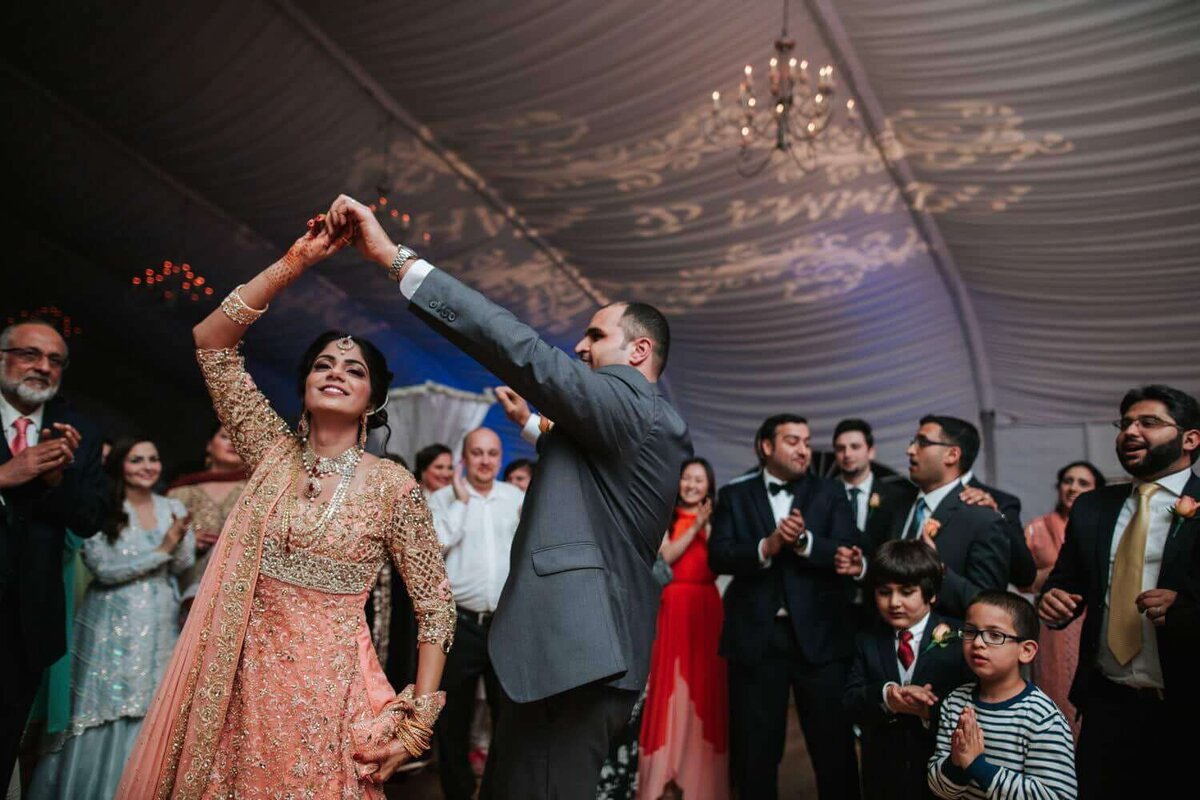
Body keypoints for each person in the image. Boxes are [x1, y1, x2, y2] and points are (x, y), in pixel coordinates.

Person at [327, 194, 692, 799]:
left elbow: (517, 348)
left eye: (594, 336)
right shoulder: (627, 426)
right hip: (570, 660)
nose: (579, 347)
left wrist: (395, 260)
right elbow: (594, 481)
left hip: (575, 663)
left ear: (638, 352)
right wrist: (534, 427)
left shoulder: (634, 404)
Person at [118, 214, 455, 798]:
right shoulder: (272, 453)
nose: (335, 372)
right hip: (238, 687)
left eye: (354, 370)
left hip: (332, 698)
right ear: (303, 386)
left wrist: (417, 726)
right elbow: (212, 342)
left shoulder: (394, 487)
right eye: (323, 364)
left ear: (373, 402)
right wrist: (296, 261)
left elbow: (434, 608)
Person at [1039, 385, 1199, 798]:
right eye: (1125, 422)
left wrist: (1187, 608)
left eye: (1149, 422)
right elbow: (1066, 583)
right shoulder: (1094, 507)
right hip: (1107, 703)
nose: (1130, 431)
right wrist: (1054, 600)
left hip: (1186, 706)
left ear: (1190, 438)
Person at [29, 438, 194, 799]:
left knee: (150, 708)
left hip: (160, 621)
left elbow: (181, 566)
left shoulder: (173, 506)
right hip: (109, 621)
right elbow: (104, 568)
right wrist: (162, 549)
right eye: (137, 460)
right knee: (100, 707)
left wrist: (179, 543)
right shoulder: (101, 508)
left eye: (153, 458)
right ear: (120, 465)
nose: (147, 466)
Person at [708, 413, 861, 800]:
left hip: (821, 638)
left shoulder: (830, 493)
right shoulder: (735, 495)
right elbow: (719, 556)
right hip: (758, 638)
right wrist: (767, 547)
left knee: (834, 749)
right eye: (793, 441)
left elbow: (847, 545)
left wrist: (805, 541)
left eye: (807, 442)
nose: (803, 450)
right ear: (766, 447)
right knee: (756, 752)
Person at [0, 319, 107, 791]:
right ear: (3, 357)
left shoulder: (78, 429)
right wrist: (6, 475)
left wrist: (54, 481)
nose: (42, 367)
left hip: (27, 619)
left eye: (55, 360)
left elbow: (89, 517)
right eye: (30, 354)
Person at [426, 427, 523, 800]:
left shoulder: (515, 498)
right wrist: (462, 502)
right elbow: (436, 550)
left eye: (492, 454)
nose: (485, 461)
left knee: (508, 718)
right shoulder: (440, 499)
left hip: (504, 625)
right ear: (464, 458)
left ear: (500, 458)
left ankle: (499, 792)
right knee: (453, 720)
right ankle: (458, 793)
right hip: (459, 623)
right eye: (477, 453)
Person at [838, 415, 1010, 618]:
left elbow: (989, 606)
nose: (910, 450)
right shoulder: (893, 505)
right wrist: (863, 568)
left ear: (952, 455)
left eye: (923, 442)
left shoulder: (983, 519)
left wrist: (938, 570)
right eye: (913, 443)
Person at [844, 540, 972, 800]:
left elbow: (975, 705)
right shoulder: (866, 639)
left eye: (906, 591)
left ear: (932, 594)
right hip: (882, 773)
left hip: (942, 773)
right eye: (884, 592)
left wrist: (930, 711)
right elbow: (850, 701)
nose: (894, 602)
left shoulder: (961, 639)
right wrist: (887, 697)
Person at [927, 591, 1076, 800]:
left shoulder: (1042, 717)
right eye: (971, 631)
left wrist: (977, 766)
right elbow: (940, 789)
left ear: (1026, 651)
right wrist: (955, 762)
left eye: (995, 635)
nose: (978, 643)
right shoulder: (955, 702)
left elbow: (1058, 796)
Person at [638, 457, 728, 800]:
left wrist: (707, 526)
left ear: (709, 486)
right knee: (667, 687)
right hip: (671, 607)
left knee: (703, 690)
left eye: (699, 480)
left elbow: (718, 561)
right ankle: (660, 778)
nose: (691, 485)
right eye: (687, 478)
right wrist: (693, 527)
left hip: (705, 609)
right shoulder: (666, 515)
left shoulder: (718, 521)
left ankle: (701, 782)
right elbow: (665, 558)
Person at [1021, 461, 1105, 735]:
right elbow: (1023, 581)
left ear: (1096, 490)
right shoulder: (1037, 527)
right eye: (1068, 481)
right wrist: (1058, 574)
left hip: (1091, 620)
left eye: (1083, 483)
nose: (1073, 488)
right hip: (1052, 620)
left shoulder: (1103, 527)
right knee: (1054, 685)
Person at [832, 418, 913, 625]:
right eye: (841, 448)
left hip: (880, 606)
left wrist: (866, 567)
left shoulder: (897, 498)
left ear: (871, 451)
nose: (847, 454)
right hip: (832, 605)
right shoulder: (822, 495)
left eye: (855, 447)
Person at [166, 423, 249, 608]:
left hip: (238, 587)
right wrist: (187, 542)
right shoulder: (181, 491)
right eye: (225, 437)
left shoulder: (260, 489)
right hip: (187, 585)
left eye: (239, 437)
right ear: (209, 445)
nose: (233, 443)